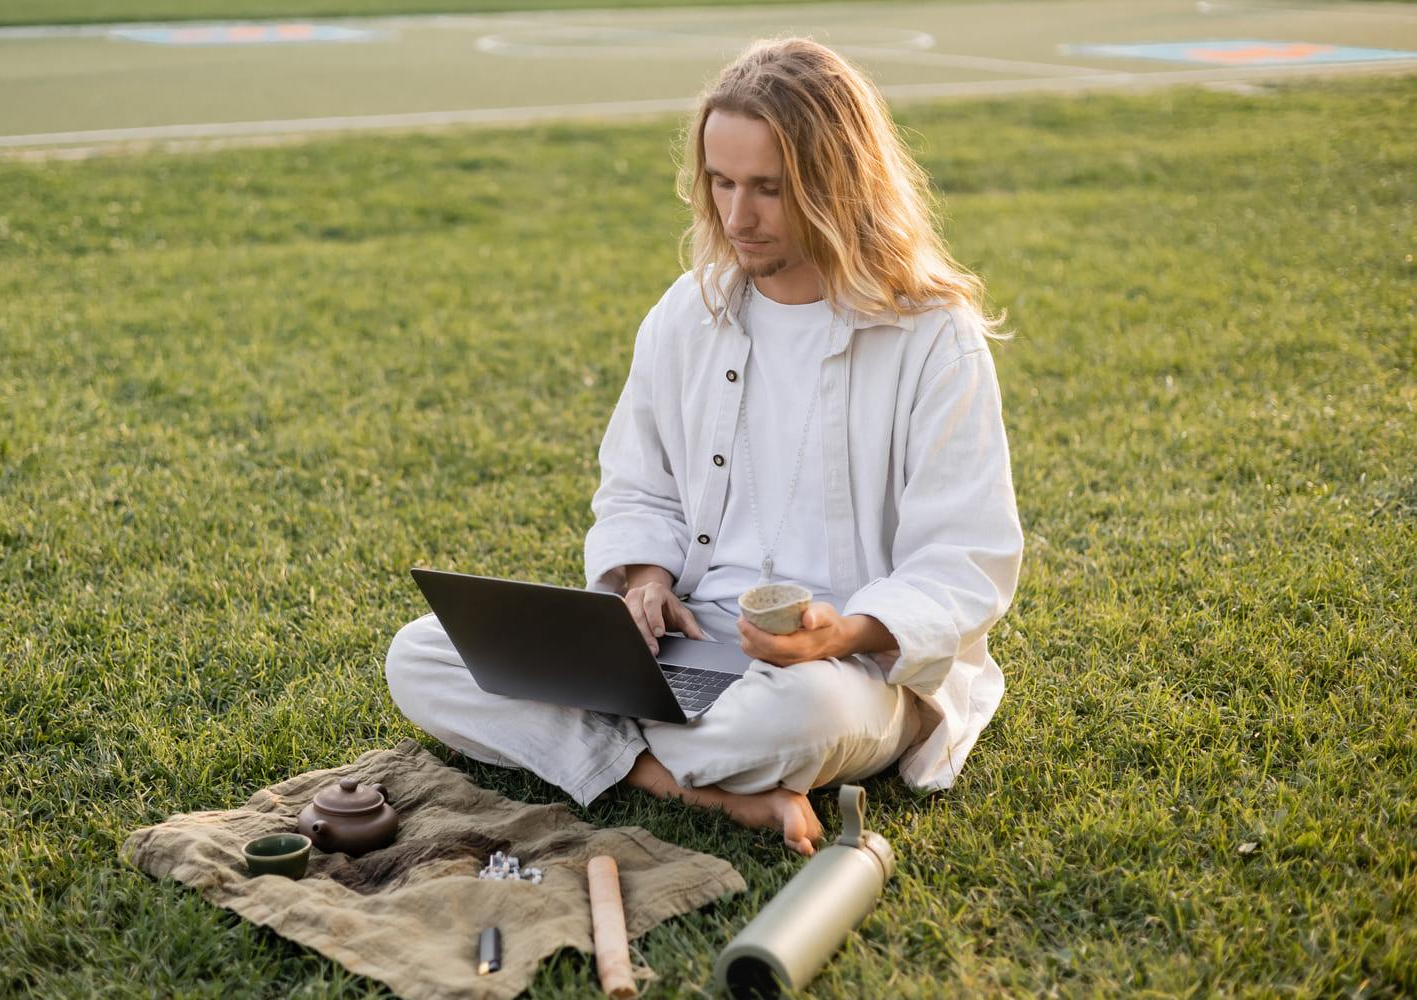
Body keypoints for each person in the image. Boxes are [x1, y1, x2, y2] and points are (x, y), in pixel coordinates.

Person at [386, 37, 1023, 856]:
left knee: (798, 718)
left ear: (839, 185)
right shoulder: (688, 313)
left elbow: (965, 561)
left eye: (767, 189)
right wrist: (646, 579)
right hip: (689, 647)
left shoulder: (934, 338)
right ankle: (691, 787)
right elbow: (635, 489)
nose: (735, 216)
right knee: (425, 654)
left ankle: (622, 753)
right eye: (720, 182)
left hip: (848, 673)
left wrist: (837, 634)